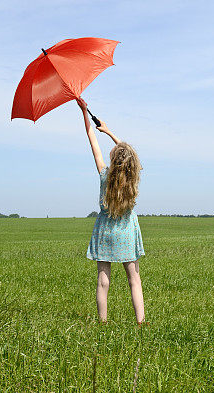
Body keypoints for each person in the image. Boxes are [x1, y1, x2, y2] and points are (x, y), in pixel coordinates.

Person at [76, 97, 145, 324]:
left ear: (114, 159)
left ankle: (103, 323)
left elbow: (91, 141)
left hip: (106, 230)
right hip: (126, 230)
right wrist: (109, 132)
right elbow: (132, 158)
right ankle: (140, 322)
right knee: (134, 279)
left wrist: (85, 113)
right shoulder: (133, 178)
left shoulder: (105, 175)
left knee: (103, 280)